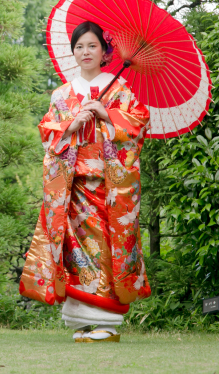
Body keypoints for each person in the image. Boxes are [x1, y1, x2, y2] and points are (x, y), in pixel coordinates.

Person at [20, 21, 151, 343]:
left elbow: (138, 125)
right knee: (73, 251)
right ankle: (81, 322)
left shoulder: (120, 91)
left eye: (92, 45)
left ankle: (106, 322)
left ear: (105, 51)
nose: (85, 52)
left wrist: (107, 116)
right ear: (73, 53)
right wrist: (70, 124)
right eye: (79, 47)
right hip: (71, 188)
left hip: (107, 189)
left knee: (105, 250)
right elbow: (47, 134)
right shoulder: (62, 94)